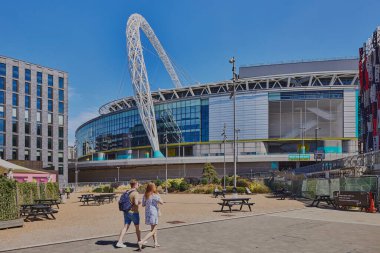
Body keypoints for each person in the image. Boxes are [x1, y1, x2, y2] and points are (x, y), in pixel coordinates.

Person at [116, 179, 141, 248]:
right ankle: (139, 241)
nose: (138, 185)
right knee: (137, 227)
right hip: (134, 213)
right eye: (138, 184)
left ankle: (119, 241)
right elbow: (136, 203)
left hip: (126, 212)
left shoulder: (127, 192)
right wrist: (139, 202)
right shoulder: (135, 193)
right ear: (135, 185)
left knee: (125, 227)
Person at [138, 182, 163, 250]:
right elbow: (162, 202)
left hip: (148, 214)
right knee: (153, 230)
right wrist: (158, 197)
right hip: (153, 213)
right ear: (153, 188)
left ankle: (155, 243)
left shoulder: (145, 195)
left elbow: (143, 205)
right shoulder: (155, 195)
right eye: (154, 186)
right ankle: (142, 241)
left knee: (153, 229)